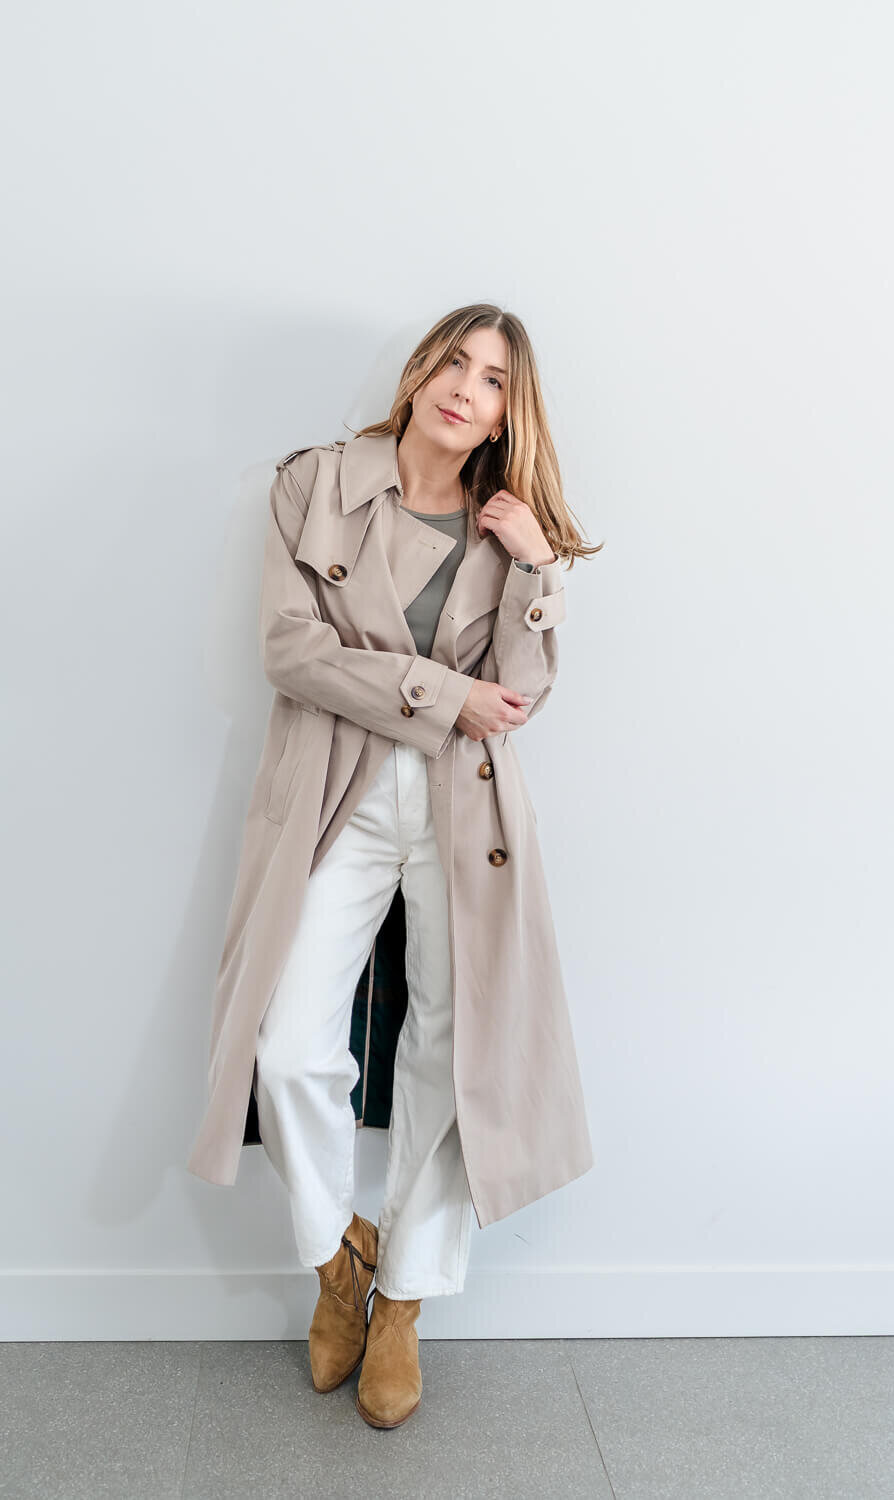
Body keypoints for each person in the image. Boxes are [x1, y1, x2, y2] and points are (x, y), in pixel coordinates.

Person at [186, 302, 600, 1429]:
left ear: (512, 412)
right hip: (335, 792)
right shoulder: (316, 483)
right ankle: (336, 1261)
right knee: (286, 1045)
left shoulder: (506, 527)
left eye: (498, 380)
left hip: (465, 810)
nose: (469, 387)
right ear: (420, 372)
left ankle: (405, 1298)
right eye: (456, 362)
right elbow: (291, 650)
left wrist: (533, 566)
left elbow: (520, 694)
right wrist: (437, 692)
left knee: (446, 1052)